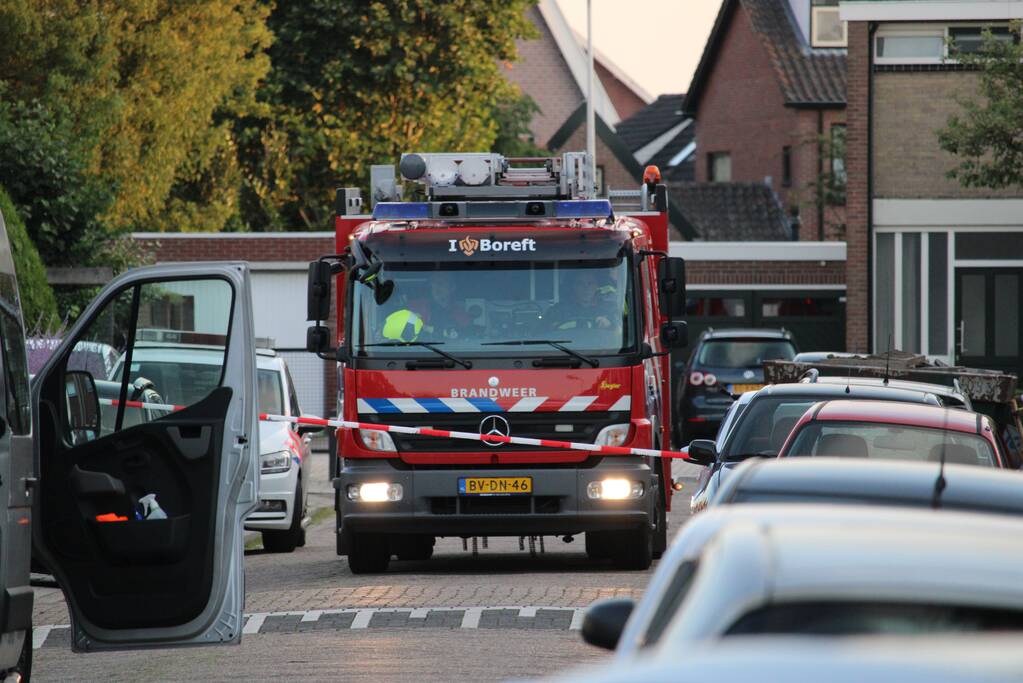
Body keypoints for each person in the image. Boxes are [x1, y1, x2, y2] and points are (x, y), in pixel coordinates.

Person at [545, 270, 616, 331]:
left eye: (590, 283)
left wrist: (610, 325)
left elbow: (621, 333)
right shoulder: (558, 310)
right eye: (580, 283)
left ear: (596, 286)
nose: (586, 288)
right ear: (574, 287)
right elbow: (541, 333)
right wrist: (552, 327)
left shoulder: (610, 309)